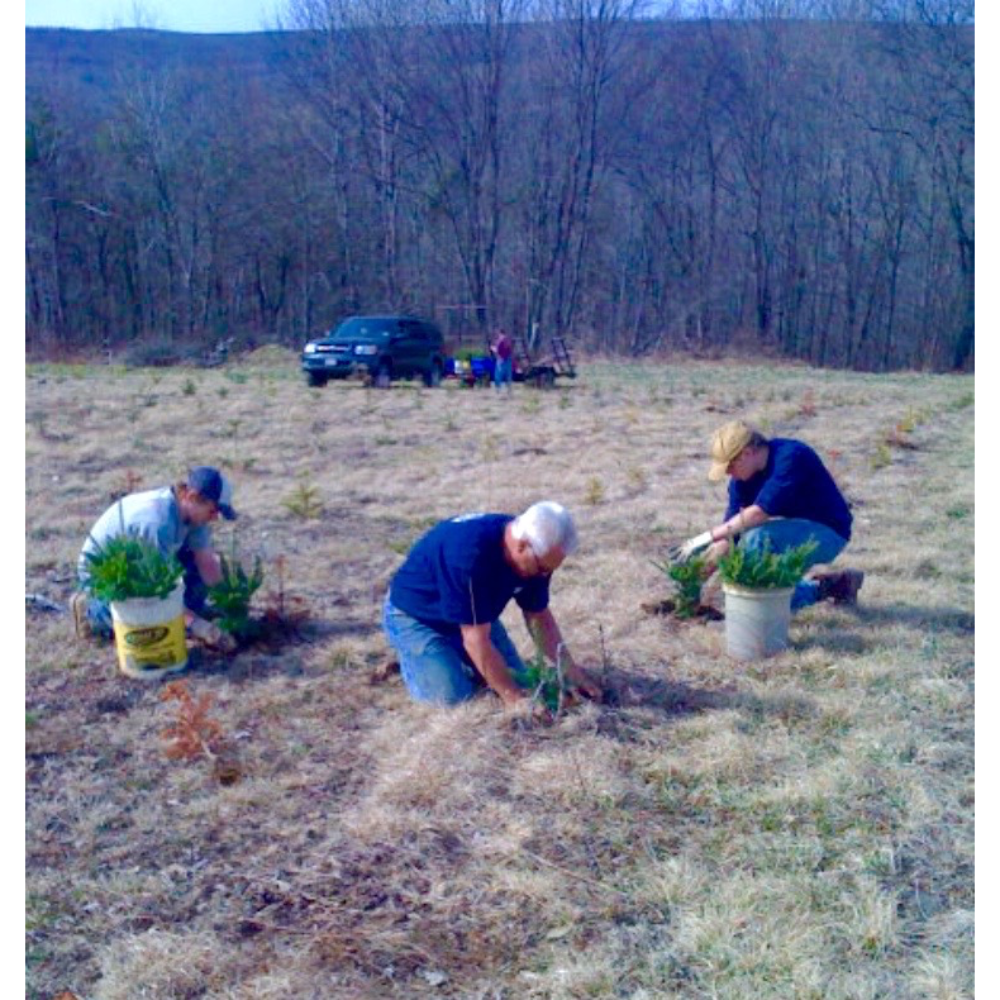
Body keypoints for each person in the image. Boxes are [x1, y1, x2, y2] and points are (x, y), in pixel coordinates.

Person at [382, 502, 602, 708]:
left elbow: (539, 617)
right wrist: (514, 699)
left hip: (475, 616)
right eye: (542, 567)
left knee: (523, 682)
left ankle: (450, 657)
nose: (544, 575)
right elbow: (476, 640)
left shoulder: (538, 556)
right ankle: (413, 658)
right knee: (453, 697)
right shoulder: (470, 557)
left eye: (550, 569)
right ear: (522, 545)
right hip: (417, 616)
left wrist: (570, 671)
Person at [673, 421, 863, 610]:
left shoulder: (791, 457)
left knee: (758, 541)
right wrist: (699, 571)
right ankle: (834, 586)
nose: (729, 474)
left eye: (730, 467)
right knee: (762, 577)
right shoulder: (741, 481)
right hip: (792, 531)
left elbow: (758, 513)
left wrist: (707, 536)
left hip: (829, 532)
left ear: (746, 453)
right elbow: (732, 531)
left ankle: (756, 610)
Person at [72, 466, 238, 649]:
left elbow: (207, 563)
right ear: (191, 497)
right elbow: (156, 593)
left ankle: (185, 616)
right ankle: (92, 612)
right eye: (213, 511)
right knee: (147, 622)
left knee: (191, 577)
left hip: (141, 565)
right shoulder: (156, 522)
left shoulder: (194, 516)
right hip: (106, 576)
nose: (215, 518)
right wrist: (197, 625)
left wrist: (231, 604)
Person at [491, 328, 514, 394]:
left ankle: (498, 388)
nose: (499, 336)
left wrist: (493, 349)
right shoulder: (507, 341)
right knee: (508, 375)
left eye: (499, 334)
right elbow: (509, 350)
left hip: (501, 359)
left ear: (501, 334)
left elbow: (498, 351)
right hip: (507, 359)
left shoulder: (500, 341)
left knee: (498, 374)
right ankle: (509, 389)